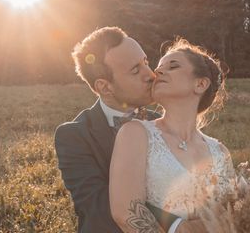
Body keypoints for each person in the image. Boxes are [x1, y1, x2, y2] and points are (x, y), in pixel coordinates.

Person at [54, 27, 208, 233]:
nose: (151, 74)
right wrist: (178, 226)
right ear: (105, 87)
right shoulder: (75, 136)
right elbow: (101, 211)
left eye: (145, 62)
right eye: (136, 70)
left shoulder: (162, 122)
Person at [109, 38, 234, 233]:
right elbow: (126, 213)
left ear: (200, 84)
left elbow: (232, 216)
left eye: (172, 66)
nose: (157, 72)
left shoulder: (221, 152)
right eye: (158, 67)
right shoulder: (136, 133)